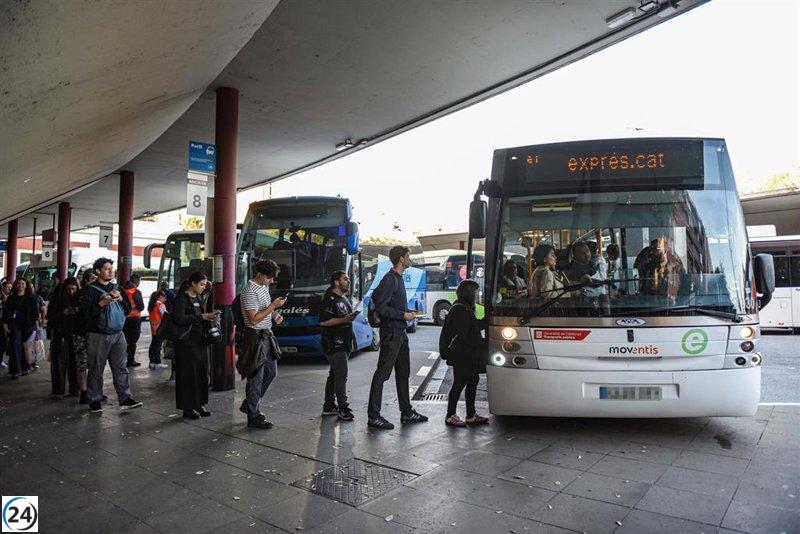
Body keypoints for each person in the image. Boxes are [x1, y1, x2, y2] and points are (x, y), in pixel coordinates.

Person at [367, 245, 428, 429]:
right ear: (401, 259)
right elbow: (382, 308)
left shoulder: (398, 279)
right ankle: (373, 416)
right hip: (391, 333)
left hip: (400, 333)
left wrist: (408, 313)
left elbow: (392, 305)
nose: (410, 260)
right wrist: (403, 315)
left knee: (403, 373)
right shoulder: (390, 280)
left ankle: (407, 412)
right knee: (382, 374)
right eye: (408, 256)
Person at [79, 257, 142, 413]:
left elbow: (128, 310)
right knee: (96, 368)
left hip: (118, 333)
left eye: (111, 268)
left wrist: (121, 299)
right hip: (97, 334)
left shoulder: (117, 287)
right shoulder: (89, 290)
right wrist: (102, 303)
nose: (110, 271)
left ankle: (125, 398)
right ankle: (94, 399)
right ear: (98, 271)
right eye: (106, 268)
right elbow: (84, 316)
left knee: (121, 367)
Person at [236, 259, 286, 429]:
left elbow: (264, 310)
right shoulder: (250, 291)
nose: (272, 281)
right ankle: (253, 415)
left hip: (267, 334)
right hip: (255, 336)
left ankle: (249, 404)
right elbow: (253, 319)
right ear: (260, 275)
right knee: (255, 377)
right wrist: (273, 306)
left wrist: (275, 315)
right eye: (270, 278)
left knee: (271, 372)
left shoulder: (263, 287)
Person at [171, 272, 219, 419]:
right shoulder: (181, 299)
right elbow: (179, 319)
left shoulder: (199, 298)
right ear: (192, 283)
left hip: (200, 342)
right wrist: (202, 317)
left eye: (205, 285)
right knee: (187, 376)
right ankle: (188, 407)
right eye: (201, 284)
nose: (203, 288)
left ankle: (199, 403)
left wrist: (211, 316)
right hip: (186, 344)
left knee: (201, 373)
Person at [444, 279, 490, 427]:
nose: (476, 295)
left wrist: (487, 320)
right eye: (475, 292)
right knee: (459, 383)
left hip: (467, 354)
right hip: (462, 355)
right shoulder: (459, 309)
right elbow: (466, 335)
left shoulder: (464, 308)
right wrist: (482, 343)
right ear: (468, 293)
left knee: (472, 380)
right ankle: (450, 415)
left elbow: (474, 326)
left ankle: (471, 414)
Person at [318, 271, 356, 421]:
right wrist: (345, 320)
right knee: (341, 375)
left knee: (334, 374)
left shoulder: (344, 298)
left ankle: (328, 406)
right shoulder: (329, 299)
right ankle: (343, 408)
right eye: (345, 279)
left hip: (345, 342)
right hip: (334, 343)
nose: (348, 281)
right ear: (336, 282)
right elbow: (323, 322)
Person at [46, 278, 81, 398]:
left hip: (75, 333)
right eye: (69, 289)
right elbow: (50, 317)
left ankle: (74, 389)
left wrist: (76, 311)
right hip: (61, 333)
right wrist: (63, 313)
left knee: (75, 362)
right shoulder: (58, 299)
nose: (71, 291)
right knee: (59, 363)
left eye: (74, 288)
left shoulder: (80, 299)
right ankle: (58, 390)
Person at [3, 279, 39, 379]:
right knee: (15, 345)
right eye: (19, 283)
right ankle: (15, 370)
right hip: (14, 324)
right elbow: (6, 312)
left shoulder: (31, 298)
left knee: (26, 347)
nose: (21, 285)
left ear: (26, 286)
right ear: (16, 285)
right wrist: (5, 324)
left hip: (28, 325)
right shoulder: (11, 298)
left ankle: (25, 368)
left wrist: (37, 326)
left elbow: (36, 313)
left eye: (23, 284)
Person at [72, 270, 97, 404]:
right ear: (86, 280)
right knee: (83, 364)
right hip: (82, 334)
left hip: (91, 334)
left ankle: (89, 392)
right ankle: (84, 392)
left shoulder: (85, 294)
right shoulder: (83, 295)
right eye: (92, 278)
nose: (95, 280)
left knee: (93, 364)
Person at [122, 274, 145, 367]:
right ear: (136, 281)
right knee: (132, 342)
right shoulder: (136, 291)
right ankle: (130, 360)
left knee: (124, 339)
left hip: (124, 319)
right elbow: (141, 307)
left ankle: (121, 359)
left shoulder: (122, 290)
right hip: (134, 319)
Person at [147, 290, 169, 370]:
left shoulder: (152, 305)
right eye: (164, 297)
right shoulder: (161, 305)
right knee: (157, 345)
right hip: (160, 328)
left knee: (153, 345)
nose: (165, 299)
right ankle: (157, 362)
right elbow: (165, 316)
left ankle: (152, 362)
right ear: (160, 297)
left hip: (153, 328)